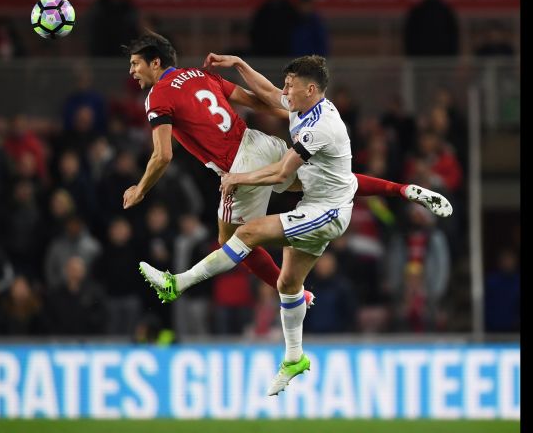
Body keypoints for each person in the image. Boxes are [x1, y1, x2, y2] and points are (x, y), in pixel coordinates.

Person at [140, 54, 450, 396]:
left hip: (328, 211)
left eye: (291, 85)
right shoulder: (304, 104)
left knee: (248, 233)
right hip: (322, 197)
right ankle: (294, 358)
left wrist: (236, 178)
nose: (285, 90)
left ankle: (177, 284)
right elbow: (269, 94)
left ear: (311, 89)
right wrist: (239, 64)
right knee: (288, 283)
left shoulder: (320, 127)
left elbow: (280, 174)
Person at [122, 33, 452, 308]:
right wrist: (286, 108)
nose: (132, 71)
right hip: (260, 143)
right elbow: (257, 99)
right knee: (326, 181)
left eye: (136, 64)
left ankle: (284, 293)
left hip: (238, 163)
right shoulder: (200, 75)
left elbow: (162, 155)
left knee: (232, 240)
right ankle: (403, 189)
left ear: (155, 63)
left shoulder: (157, 96)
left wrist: (140, 189)